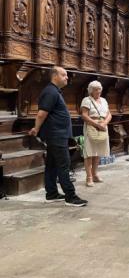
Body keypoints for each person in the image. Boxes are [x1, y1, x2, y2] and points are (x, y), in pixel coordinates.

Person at [29, 66, 87, 207]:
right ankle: (70, 196)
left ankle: (52, 193)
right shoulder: (50, 92)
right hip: (56, 135)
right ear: (55, 76)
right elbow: (42, 113)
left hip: (57, 134)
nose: (67, 77)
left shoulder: (54, 91)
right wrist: (36, 129)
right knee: (64, 165)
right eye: (64, 75)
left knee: (52, 164)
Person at [80, 80, 112, 187]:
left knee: (98, 152)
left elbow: (109, 114)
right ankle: (88, 177)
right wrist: (97, 124)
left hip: (103, 126)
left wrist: (105, 122)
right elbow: (84, 115)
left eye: (99, 89)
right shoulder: (86, 100)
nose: (98, 91)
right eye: (95, 89)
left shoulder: (103, 100)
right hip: (91, 126)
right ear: (91, 91)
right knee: (89, 152)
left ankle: (95, 174)